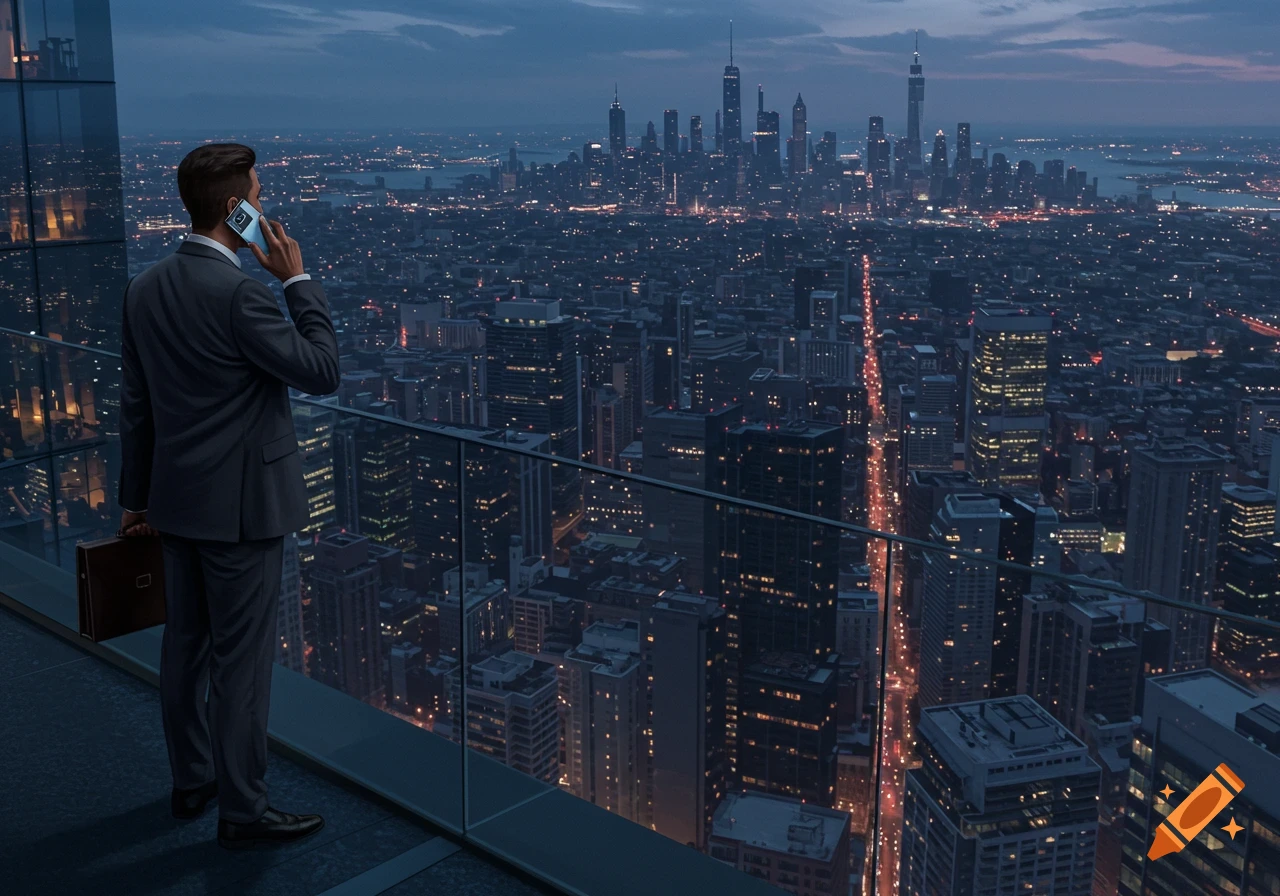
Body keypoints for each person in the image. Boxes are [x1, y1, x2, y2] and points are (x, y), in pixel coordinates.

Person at [117, 143, 340, 849]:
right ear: (234, 209)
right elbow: (321, 370)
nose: (263, 208)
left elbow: (136, 406)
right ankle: (243, 811)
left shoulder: (144, 287)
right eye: (257, 196)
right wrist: (297, 280)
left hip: (174, 500)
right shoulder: (244, 293)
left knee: (184, 650)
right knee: (240, 669)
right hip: (243, 511)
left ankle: (193, 782)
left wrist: (135, 500)